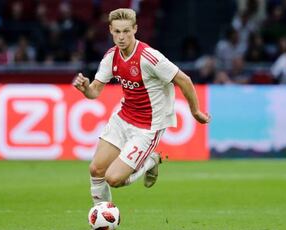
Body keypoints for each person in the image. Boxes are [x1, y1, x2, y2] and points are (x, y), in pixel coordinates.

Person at [73, 8, 210, 205]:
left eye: (126, 31)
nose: (122, 37)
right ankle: (101, 224)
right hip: (123, 118)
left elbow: (184, 80)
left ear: (135, 29)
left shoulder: (149, 57)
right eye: (117, 31)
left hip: (147, 127)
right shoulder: (111, 57)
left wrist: (195, 111)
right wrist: (86, 88)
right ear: (110, 30)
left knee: (113, 179)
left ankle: (151, 161)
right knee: (96, 170)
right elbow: (95, 91)